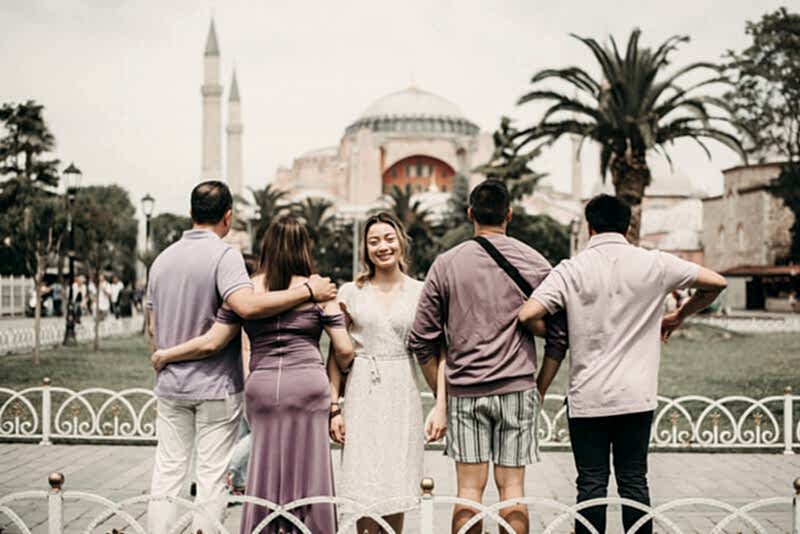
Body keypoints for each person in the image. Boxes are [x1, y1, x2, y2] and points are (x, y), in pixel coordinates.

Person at [519, 194, 727, 534]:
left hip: (587, 399)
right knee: (634, 483)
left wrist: (564, 334)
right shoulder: (655, 263)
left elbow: (528, 314)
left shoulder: (572, 268)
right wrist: (678, 316)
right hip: (636, 396)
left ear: (589, 226)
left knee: (590, 486)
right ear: (629, 226)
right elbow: (715, 283)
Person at [145, 182, 337, 534]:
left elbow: (152, 327)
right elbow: (245, 307)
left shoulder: (161, 260)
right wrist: (309, 290)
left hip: (170, 385)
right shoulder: (224, 255)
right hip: (215, 385)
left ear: (191, 213)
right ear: (228, 216)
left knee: (167, 473)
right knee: (211, 476)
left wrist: (164, 356)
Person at [408, 180, 568, 534]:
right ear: (509, 214)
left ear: (470, 215)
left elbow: (421, 339)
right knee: (513, 491)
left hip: (465, 392)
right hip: (517, 388)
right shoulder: (535, 262)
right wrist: (539, 385)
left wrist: (442, 393)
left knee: (468, 492)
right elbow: (560, 333)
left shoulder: (446, 264)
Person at [327, 212, 432, 534]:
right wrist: (334, 407)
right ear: (365, 248)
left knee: (395, 480)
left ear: (401, 242)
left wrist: (441, 404)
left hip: (401, 387)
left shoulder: (421, 291)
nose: (382, 247)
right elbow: (335, 353)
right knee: (362, 477)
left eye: (388, 239)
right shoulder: (350, 292)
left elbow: (432, 350)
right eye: (374, 241)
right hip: (362, 390)